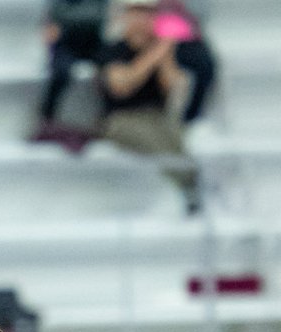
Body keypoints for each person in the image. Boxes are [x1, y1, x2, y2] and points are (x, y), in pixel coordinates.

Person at [98, 0, 202, 212]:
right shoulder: (113, 50)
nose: (142, 19)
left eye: (147, 13)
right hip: (122, 119)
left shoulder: (160, 49)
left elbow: (173, 88)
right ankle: (187, 182)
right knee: (158, 145)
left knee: (175, 139)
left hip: (156, 116)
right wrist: (155, 54)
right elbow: (121, 86)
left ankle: (192, 184)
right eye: (136, 13)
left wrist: (165, 53)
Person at [33, 0, 109, 141]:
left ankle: (107, 116)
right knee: (60, 71)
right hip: (66, 45)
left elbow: (103, 16)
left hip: (94, 43)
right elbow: (53, 22)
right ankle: (47, 117)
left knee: (109, 70)